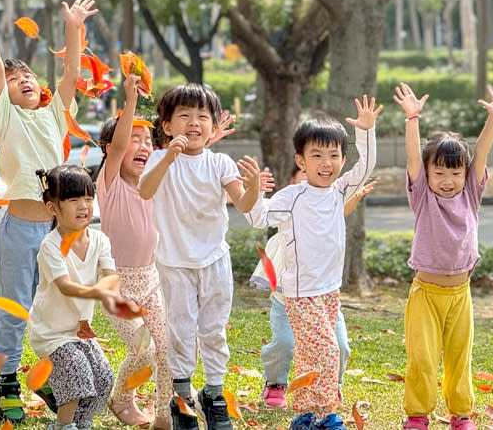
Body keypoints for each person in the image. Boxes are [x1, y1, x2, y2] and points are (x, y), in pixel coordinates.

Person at [0, 0, 96, 424]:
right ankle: (6, 384)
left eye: (29, 76)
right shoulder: (7, 117)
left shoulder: (56, 114)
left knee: (59, 308)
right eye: (15, 77)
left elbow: (72, 72)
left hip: (57, 235)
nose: (24, 80)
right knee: (14, 307)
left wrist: (73, 29)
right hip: (20, 229)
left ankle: (57, 381)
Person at [245, 96, 381, 430]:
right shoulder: (292, 197)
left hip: (329, 289)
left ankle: (304, 415)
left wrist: (366, 132)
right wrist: (251, 191)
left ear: (342, 159)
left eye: (334, 155)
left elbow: (366, 167)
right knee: (328, 352)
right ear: (301, 161)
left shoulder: (338, 191)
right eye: (316, 155)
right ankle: (326, 415)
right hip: (300, 293)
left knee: (312, 354)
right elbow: (255, 218)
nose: (326, 162)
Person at [138, 83, 262, 430]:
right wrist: (171, 156)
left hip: (214, 261)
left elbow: (244, 204)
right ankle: (182, 397)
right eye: (185, 116)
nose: (194, 123)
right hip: (174, 262)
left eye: (202, 117)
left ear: (212, 126)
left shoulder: (220, 162)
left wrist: (252, 187)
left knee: (213, 330)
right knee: (180, 329)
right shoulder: (159, 159)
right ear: (167, 126)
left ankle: (214, 394)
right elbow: (145, 191)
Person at [393, 83, 493, 430]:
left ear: (465, 174)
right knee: (423, 358)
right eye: (440, 173)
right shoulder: (422, 197)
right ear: (428, 174)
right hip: (425, 295)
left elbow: (482, 154)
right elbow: (414, 158)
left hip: (460, 296)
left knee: (460, 359)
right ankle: (418, 414)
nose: (447, 180)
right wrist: (412, 118)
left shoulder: (471, 193)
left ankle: (461, 415)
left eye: (455, 173)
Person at [250, 165, 374, 409]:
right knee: (285, 343)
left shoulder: (327, 211)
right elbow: (260, 214)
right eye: (305, 180)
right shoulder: (289, 210)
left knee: (339, 345)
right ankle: (275, 382)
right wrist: (256, 191)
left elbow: (339, 213)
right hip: (287, 301)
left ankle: (331, 384)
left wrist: (355, 197)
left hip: (323, 299)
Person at [96, 75, 171, 429]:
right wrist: (129, 99)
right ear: (111, 149)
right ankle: (121, 397)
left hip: (151, 281)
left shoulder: (153, 184)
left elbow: (174, 157)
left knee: (167, 350)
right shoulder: (109, 182)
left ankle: (165, 414)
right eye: (133, 140)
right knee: (146, 351)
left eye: (147, 140)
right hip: (118, 285)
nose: (142, 146)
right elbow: (120, 140)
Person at [30, 165, 129, 430]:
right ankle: (62, 425)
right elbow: (65, 286)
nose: (83, 206)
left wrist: (109, 290)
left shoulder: (99, 240)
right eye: (73, 199)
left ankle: (80, 422)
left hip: (79, 331)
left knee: (103, 377)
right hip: (51, 332)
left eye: (88, 198)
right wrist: (97, 291)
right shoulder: (51, 245)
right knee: (77, 372)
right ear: (53, 208)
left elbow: (111, 275)